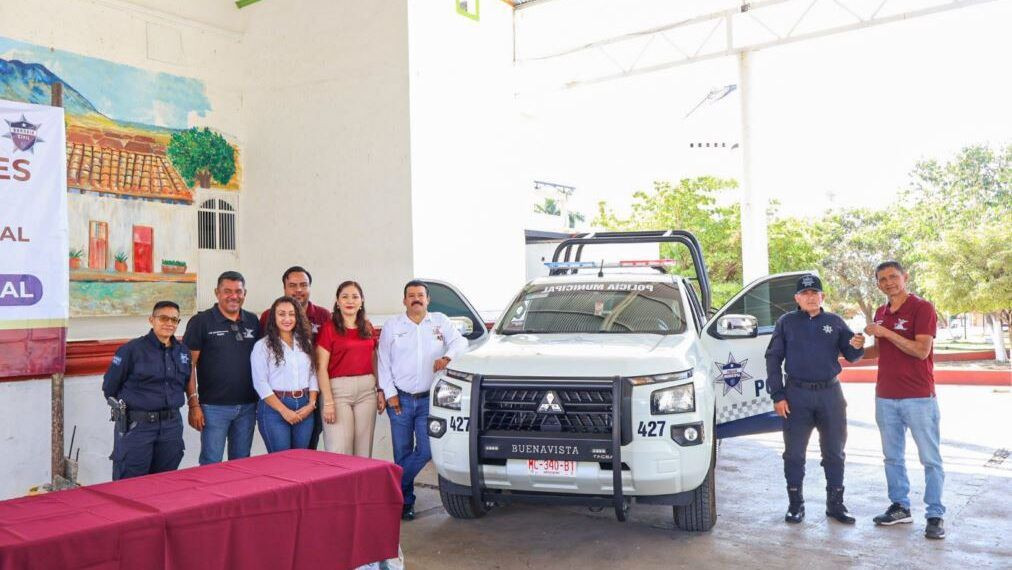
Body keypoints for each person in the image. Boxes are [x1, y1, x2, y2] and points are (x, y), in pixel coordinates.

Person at [765, 274, 865, 524]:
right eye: (805, 294)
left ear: (823, 296)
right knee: (794, 454)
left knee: (834, 452)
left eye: (814, 293)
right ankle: (795, 504)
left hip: (830, 395)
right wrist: (777, 395)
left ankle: (835, 504)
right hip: (796, 395)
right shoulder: (786, 322)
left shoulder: (834, 321)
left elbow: (852, 355)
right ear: (797, 298)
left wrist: (859, 344)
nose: (810, 298)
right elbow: (773, 358)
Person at [863, 261, 946, 539]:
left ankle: (934, 514)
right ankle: (900, 507)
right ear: (878, 284)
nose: (889, 282)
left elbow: (921, 350)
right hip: (885, 396)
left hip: (919, 397)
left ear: (904, 277)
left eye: (893, 276)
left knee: (930, 459)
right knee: (892, 457)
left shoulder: (922, 308)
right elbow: (879, 350)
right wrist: (848, 350)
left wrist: (885, 332)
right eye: (883, 279)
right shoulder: (880, 312)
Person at [378, 280, 468, 521]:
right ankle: (405, 503)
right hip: (400, 400)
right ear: (404, 300)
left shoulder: (440, 321)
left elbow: (461, 342)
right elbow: (383, 362)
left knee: (427, 450)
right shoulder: (393, 325)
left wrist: (447, 357)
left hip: (430, 400)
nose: (416, 299)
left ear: (428, 299)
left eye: (420, 295)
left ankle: (389, 484)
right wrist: (390, 394)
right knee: (402, 452)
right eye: (411, 295)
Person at [102, 301, 190, 480]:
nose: (169, 323)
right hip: (138, 427)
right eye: (163, 318)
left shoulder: (182, 352)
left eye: (174, 319)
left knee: (165, 483)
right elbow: (110, 387)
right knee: (130, 483)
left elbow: (184, 382)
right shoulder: (132, 350)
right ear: (151, 320)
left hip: (171, 427)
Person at [183, 271, 261, 465]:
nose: (233, 296)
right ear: (216, 292)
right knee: (211, 463)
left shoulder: (253, 321)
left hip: (248, 407)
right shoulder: (200, 322)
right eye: (227, 291)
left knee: (241, 463)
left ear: (245, 293)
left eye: (238, 291)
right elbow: (188, 365)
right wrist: (193, 404)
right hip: (213, 408)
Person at [259, 266, 331, 449]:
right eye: (292, 285)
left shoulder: (323, 316)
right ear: (284, 288)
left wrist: (313, 401)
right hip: (276, 398)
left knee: (308, 450)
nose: (298, 290)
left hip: (312, 395)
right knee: (280, 458)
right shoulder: (268, 316)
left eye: (303, 285)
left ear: (309, 287)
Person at [316, 281, 384, 457]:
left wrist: (380, 389)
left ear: (362, 301)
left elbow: (373, 359)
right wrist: (328, 401)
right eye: (344, 296)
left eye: (355, 296)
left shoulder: (367, 327)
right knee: (340, 450)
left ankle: (361, 486)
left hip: (367, 391)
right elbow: (321, 367)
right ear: (337, 302)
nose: (350, 301)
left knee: (363, 451)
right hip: (338, 392)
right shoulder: (329, 328)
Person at [251, 296, 319, 452]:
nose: (287, 319)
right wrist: (284, 410)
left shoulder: (305, 343)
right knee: (280, 463)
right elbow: (260, 383)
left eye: (292, 314)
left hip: (304, 407)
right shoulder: (262, 346)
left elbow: (313, 375)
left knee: (301, 460)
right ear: (273, 317)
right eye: (281, 314)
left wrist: (311, 404)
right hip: (274, 409)